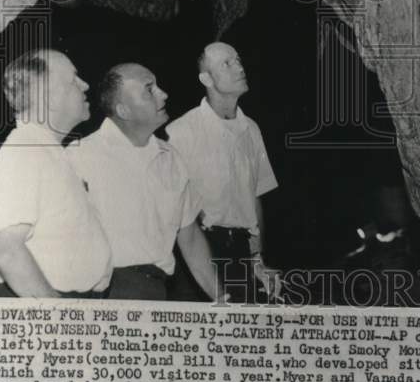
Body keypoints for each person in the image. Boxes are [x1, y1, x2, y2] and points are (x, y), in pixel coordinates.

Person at [66, 63, 222, 302]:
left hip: (157, 290)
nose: (163, 94)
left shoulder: (170, 158)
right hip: (105, 294)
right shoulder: (80, 156)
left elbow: (188, 236)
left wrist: (221, 299)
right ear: (124, 110)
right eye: (149, 90)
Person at [0, 50, 112, 298]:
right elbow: (6, 251)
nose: (85, 85)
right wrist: (57, 316)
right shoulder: (25, 149)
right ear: (47, 96)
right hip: (44, 308)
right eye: (74, 79)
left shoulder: (47, 151)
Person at [166, 42, 281, 303]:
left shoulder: (251, 130)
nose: (239, 67)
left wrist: (258, 258)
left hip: (242, 254)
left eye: (238, 60)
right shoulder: (181, 132)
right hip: (198, 253)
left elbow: (255, 199)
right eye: (226, 64)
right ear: (206, 78)